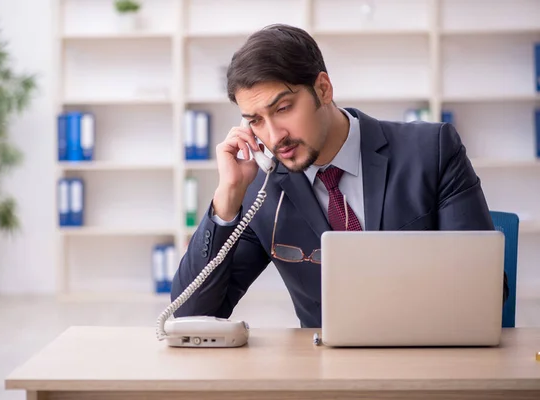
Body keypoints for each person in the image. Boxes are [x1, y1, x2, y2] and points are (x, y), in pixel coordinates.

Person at [171, 24, 508, 328]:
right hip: (328, 377)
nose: (274, 137)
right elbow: (191, 314)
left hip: (430, 360)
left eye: (283, 108)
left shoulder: (431, 150)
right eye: (256, 120)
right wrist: (227, 197)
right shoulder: (262, 189)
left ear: (323, 89)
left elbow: (484, 290)